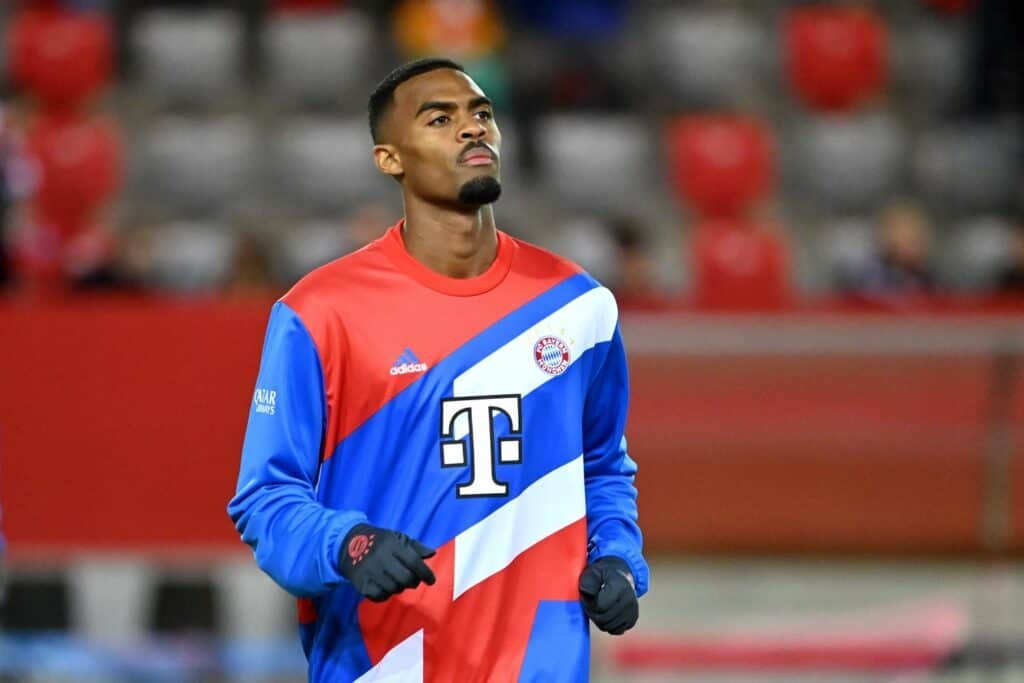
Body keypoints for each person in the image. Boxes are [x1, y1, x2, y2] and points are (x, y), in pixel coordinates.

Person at [228, 58, 647, 681]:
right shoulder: (319, 314)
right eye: (440, 119)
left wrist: (615, 556)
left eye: (482, 114)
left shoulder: (578, 306)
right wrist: (349, 544)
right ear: (389, 158)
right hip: (386, 663)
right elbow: (266, 498)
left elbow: (603, 466)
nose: (472, 129)